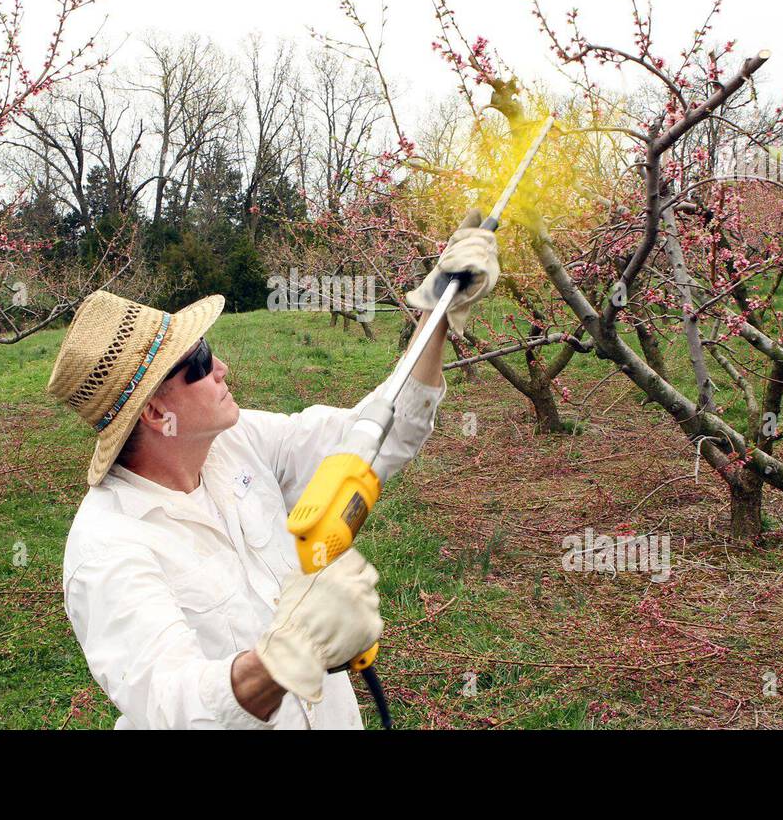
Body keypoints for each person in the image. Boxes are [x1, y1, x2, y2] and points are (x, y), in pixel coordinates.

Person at [48, 212, 499, 728]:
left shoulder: (236, 443)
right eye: (199, 361)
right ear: (155, 413)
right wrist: (282, 659)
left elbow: (374, 435)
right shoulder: (107, 548)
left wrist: (436, 314)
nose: (220, 368)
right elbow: (172, 703)